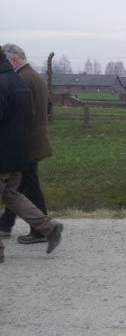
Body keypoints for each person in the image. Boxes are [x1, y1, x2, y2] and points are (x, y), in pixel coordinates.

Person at [0, 46, 63, 263]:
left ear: (14, 60)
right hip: (23, 143)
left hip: (18, 144)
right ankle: (45, 227)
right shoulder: (27, 78)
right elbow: (46, 107)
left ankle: (34, 230)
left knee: (26, 186)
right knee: (14, 192)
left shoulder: (18, 80)